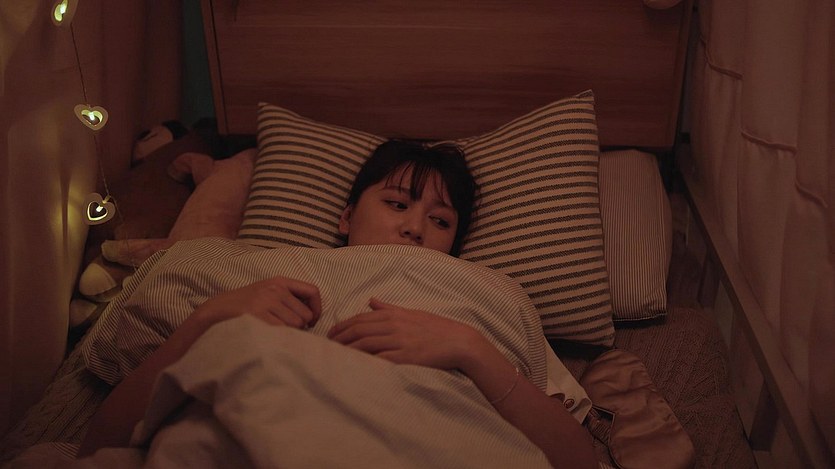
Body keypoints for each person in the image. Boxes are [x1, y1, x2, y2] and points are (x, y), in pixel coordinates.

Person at [78, 140, 598, 468]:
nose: (415, 227)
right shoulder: (240, 266)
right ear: (346, 217)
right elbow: (98, 443)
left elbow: (578, 460)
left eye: (441, 221)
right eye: (396, 203)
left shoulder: (490, 294)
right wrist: (208, 320)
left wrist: (470, 348)